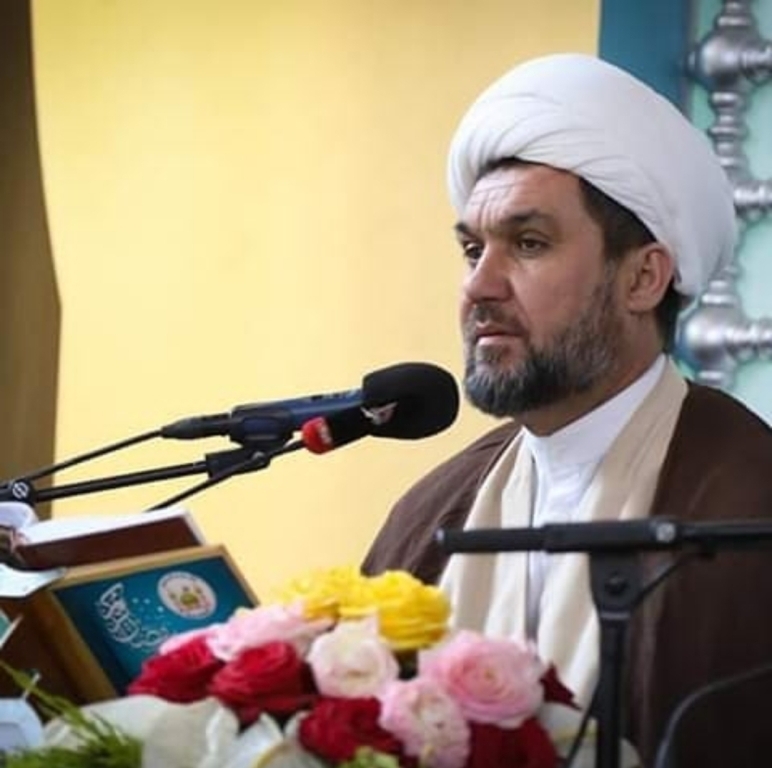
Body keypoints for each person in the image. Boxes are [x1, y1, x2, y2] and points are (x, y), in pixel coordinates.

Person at [362, 53, 772, 767]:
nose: (479, 286)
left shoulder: (748, 501)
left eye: (528, 244)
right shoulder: (435, 511)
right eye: (472, 250)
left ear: (643, 277)